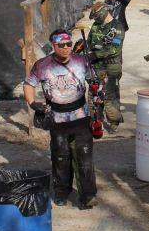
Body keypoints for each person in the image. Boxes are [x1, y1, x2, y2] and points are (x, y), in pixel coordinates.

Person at [25, 29, 97, 208]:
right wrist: (33, 103)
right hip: (57, 119)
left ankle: (87, 195)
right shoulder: (42, 65)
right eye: (61, 45)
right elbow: (29, 84)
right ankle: (61, 192)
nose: (66, 48)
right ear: (53, 46)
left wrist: (98, 91)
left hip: (81, 117)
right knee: (60, 157)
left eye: (68, 44)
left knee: (84, 157)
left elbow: (95, 82)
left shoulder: (82, 61)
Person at [87, 0, 125, 127]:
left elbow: (115, 49)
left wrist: (96, 54)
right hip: (96, 66)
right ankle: (95, 120)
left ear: (104, 11)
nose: (95, 19)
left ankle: (113, 121)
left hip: (111, 66)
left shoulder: (117, 26)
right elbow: (89, 42)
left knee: (110, 95)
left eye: (96, 15)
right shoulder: (95, 26)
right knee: (93, 94)